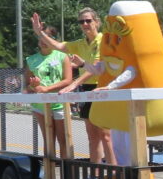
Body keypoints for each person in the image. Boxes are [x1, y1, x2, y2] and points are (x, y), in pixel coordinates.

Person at [33, 9, 112, 165]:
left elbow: (95, 67)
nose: (85, 24)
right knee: (92, 136)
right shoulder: (80, 43)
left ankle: (114, 174)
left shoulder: (103, 40)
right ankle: (96, 174)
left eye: (88, 20)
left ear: (96, 21)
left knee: (105, 135)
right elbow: (58, 46)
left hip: (101, 88)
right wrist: (39, 33)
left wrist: (74, 83)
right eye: (81, 21)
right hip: (86, 90)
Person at [25, 22, 75, 157]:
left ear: (53, 40)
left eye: (47, 37)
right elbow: (27, 86)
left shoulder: (62, 56)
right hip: (40, 105)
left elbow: (68, 80)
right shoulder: (31, 59)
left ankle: (66, 172)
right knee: (48, 139)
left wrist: (47, 89)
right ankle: (50, 172)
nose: (43, 41)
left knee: (64, 139)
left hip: (59, 104)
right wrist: (33, 86)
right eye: (41, 38)